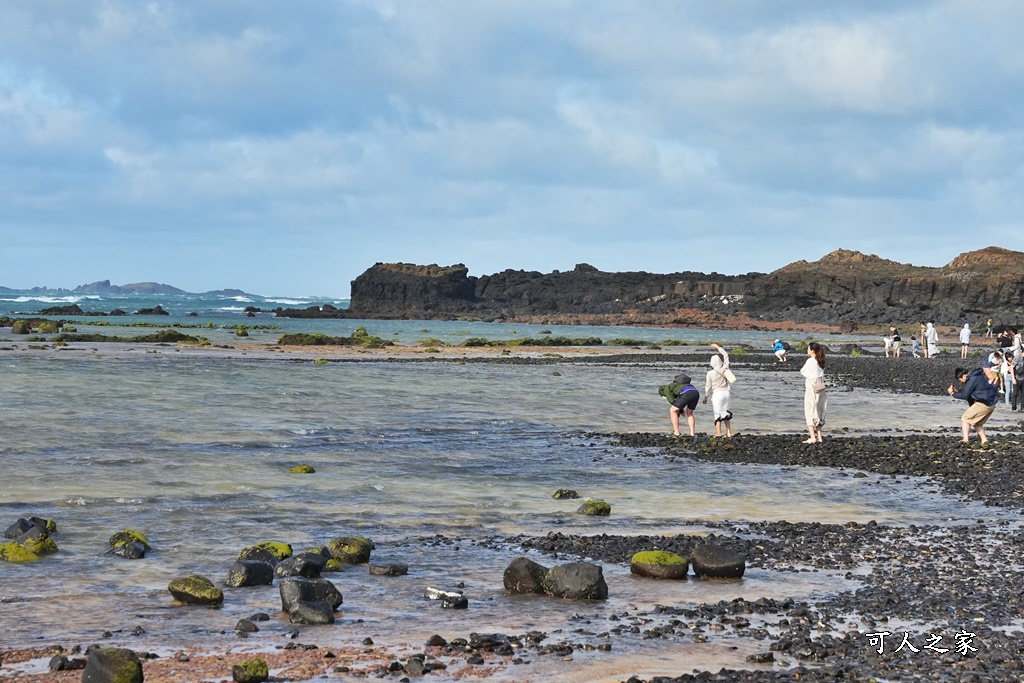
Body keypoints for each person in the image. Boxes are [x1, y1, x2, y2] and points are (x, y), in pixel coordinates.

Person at [947, 366, 999, 444]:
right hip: (991, 404)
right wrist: (957, 392)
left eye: (960, 380)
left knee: (965, 419)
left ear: (964, 375)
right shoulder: (977, 376)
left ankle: (965, 439)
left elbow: (965, 395)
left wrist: (952, 393)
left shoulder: (972, 379)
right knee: (977, 423)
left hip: (983, 403)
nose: (961, 382)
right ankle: (984, 440)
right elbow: (968, 392)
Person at [702, 343, 733, 437]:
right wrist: (718, 347)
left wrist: (706, 397)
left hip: (717, 394)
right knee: (725, 412)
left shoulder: (710, 373)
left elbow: (708, 386)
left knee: (717, 413)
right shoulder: (724, 368)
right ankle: (728, 433)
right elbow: (726, 355)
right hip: (726, 393)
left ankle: (718, 433)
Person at [800, 342, 827, 444]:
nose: (807, 351)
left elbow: (803, 371)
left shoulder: (810, 361)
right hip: (820, 385)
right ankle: (819, 437)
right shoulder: (820, 360)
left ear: (812, 350)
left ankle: (812, 437)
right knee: (819, 409)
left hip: (812, 385)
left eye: (808, 349)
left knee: (810, 410)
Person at [658, 372, 699, 437]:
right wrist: (680, 410)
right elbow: (679, 403)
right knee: (690, 413)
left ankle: (676, 432)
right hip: (695, 392)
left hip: (686, 393)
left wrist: (680, 410)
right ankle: (692, 433)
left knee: (672, 410)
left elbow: (671, 400)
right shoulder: (681, 385)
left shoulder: (666, 388)